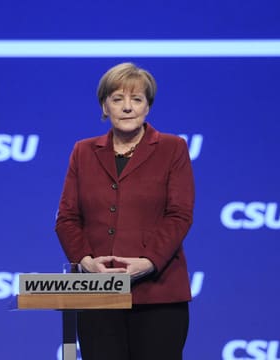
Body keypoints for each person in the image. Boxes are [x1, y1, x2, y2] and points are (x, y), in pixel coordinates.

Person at [55, 62, 195, 360]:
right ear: (104, 106)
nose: (127, 108)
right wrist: (86, 262)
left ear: (148, 107)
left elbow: (179, 215)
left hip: (159, 294)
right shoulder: (83, 151)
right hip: (98, 293)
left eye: (137, 99)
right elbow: (67, 217)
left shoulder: (173, 148)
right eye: (118, 99)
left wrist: (147, 262)